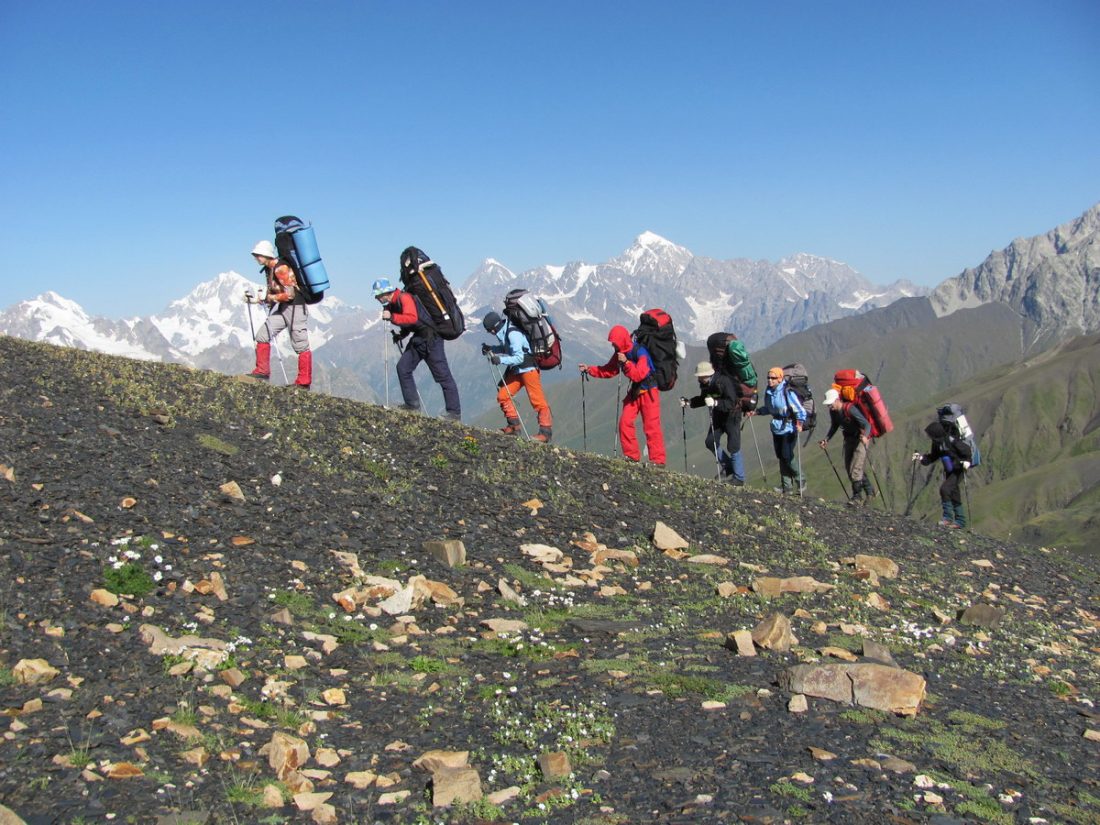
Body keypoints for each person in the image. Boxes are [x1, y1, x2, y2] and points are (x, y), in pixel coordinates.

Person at [373, 277, 461, 420]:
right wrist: (403, 334)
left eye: (378, 296)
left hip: (432, 339)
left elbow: (412, 318)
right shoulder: (394, 302)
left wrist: (392, 317)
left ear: (386, 293)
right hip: (420, 338)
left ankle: (454, 413)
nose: (377, 299)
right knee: (403, 368)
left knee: (443, 377)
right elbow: (414, 322)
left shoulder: (404, 298)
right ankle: (412, 406)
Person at [579, 325, 666, 466]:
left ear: (621, 340)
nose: (613, 345)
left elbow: (638, 375)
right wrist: (589, 369)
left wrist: (626, 362)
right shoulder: (619, 353)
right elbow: (608, 370)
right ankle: (631, 456)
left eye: (614, 342)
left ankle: (658, 460)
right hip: (636, 392)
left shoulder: (640, 352)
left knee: (651, 426)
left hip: (649, 392)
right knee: (625, 422)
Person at [244, 239, 312, 390]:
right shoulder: (270, 269)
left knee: (300, 343)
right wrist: (258, 300)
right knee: (263, 335)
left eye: (258, 254)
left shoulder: (280, 268)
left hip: (295, 307)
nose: (256, 257)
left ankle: (304, 381)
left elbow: (290, 294)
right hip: (284, 308)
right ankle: (262, 371)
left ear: (266, 255)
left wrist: (269, 298)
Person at [482, 310, 553, 442]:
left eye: (489, 330)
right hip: (519, 370)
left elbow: (519, 357)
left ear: (493, 328)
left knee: (537, 401)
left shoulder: (512, 333)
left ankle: (545, 433)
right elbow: (507, 348)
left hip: (529, 369)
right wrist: (491, 348)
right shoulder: (505, 331)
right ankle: (514, 427)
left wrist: (500, 360)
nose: (490, 333)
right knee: (503, 395)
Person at [681, 361, 744, 484]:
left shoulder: (723, 381)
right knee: (710, 441)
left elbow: (732, 402)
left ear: (707, 375)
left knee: (733, 446)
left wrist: (716, 403)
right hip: (718, 416)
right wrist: (689, 403)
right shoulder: (706, 384)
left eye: (700, 376)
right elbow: (704, 399)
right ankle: (729, 466)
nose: (698, 378)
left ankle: (739, 478)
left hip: (732, 416)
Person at [752, 366, 807, 494]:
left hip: (789, 427)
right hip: (776, 427)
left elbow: (799, 410)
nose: (770, 380)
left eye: (773, 378)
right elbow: (770, 408)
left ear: (780, 378)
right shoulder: (769, 391)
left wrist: (800, 423)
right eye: (769, 378)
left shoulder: (787, 392)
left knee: (787, 455)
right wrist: (758, 412)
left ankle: (801, 478)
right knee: (781, 456)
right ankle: (786, 486)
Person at [818, 388, 876, 505]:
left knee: (855, 469)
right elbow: (834, 426)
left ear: (837, 400)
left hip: (860, 439)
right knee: (850, 468)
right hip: (849, 439)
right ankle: (870, 491)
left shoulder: (851, 409)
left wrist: (865, 436)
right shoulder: (834, 412)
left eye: (830, 404)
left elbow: (866, 424)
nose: (829, 407)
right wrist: (826, 439)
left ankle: (857, 497)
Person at [913, 421, 972, 528]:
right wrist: (920, 458)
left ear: (936, 433)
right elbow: (932, 457)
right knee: (954, 493)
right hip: (950, 470)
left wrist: (967, 461)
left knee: (944, 489)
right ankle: (960, 521)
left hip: (958, 469)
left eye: (931, 435)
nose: (930, 437)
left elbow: (966, 450)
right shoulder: (937, 443)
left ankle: (948, 518)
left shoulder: (951, 440)